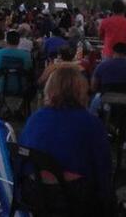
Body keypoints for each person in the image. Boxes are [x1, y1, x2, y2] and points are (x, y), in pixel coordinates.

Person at [19, 67, 113, 212]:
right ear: (82, 91)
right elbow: (103, 169)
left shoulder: (35, 118)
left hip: (33, 193)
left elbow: (21, 158)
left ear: (49, 89)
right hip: (71, 198)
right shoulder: (91, 123)